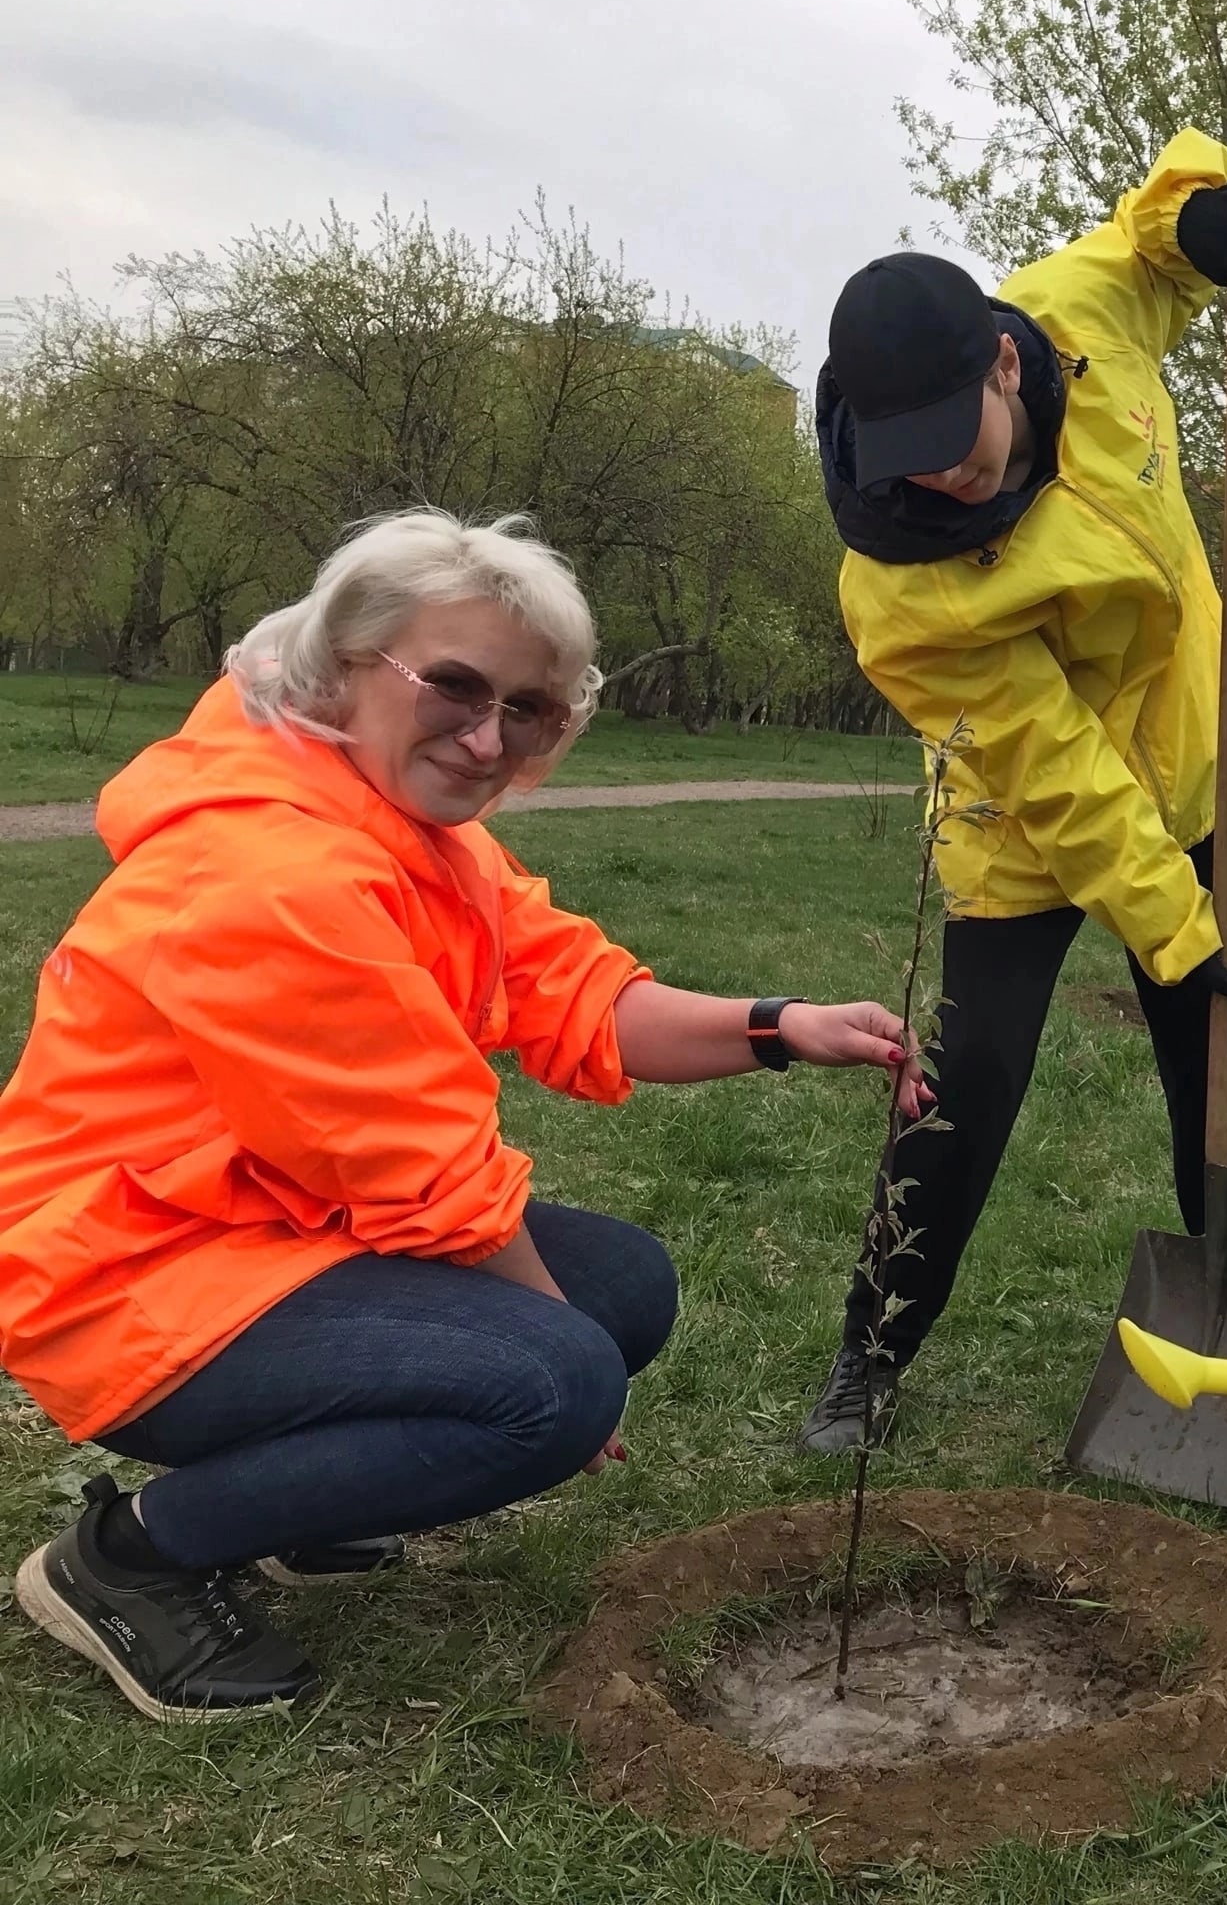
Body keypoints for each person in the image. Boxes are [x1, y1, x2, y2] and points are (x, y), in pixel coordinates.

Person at [0, 511, 926, 1724]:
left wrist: (777, 1024)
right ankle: (134, 1559)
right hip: (118, 1273)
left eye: (530, 710)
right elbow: (426, 1166)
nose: (489, 737)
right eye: (455, 686)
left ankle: (308, 1510)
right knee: (550, 1381)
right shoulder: (272, 874)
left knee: (623, 1288)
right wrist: (557, 1388)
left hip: (259, 1227)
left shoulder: (403, 827)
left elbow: (571, 987)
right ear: (345, 668)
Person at [798, 128, 1227, 1454]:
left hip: (1193, 768)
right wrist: (1176, 925)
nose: (936, 474)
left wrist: (1196, 229)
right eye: (904, 452)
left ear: (1002, 357)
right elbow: (1058, 771)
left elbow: (1146, 244)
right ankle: (872, 1351)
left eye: (951, 436)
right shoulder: (898, 592)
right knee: (966, 1077)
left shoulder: (1070, 315)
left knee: (1216, 1049)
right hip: (1027, 829)